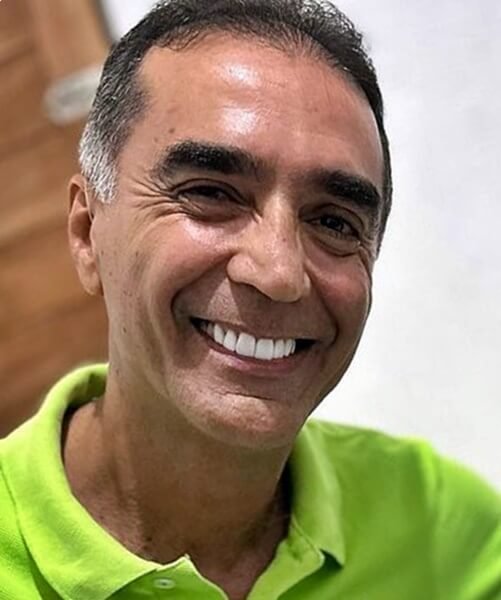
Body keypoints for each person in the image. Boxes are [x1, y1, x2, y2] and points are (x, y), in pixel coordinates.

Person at [1, 0, 499, 598]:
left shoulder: (447, 533)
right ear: (87, 234)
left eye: (334, 222)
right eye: (212, 193)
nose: (279, 272)